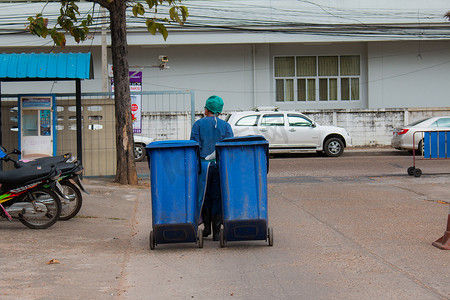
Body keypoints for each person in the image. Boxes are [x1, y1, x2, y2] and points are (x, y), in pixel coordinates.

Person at [190, 95, 233, 241]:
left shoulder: (198, 125)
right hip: (220, 167)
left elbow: (194, 147)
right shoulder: (226, 126)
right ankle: (217, 231)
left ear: (206, 109)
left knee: (204, 196)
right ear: (220, 111)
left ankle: (206, 228)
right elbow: (229, 147)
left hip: (203, 167)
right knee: (218, 196)